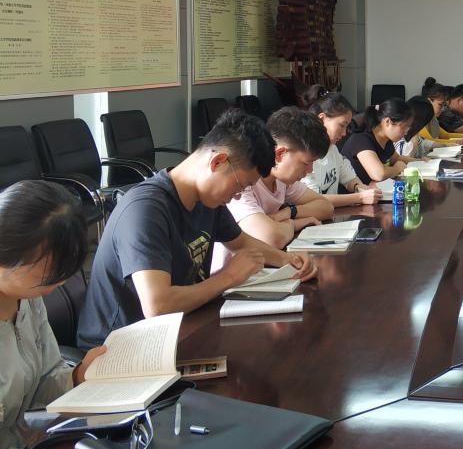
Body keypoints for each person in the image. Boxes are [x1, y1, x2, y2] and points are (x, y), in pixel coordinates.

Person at [78, 109, 318, 349]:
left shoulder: (206, 200)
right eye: (239, 186)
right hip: (120, 347)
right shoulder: (145, 210)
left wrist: (289, 260)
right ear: (217, 162)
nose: (236, 196)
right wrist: (230, 277)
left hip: (176, 331)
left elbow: (243, 243)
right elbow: (158, 306)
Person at [1, 181, 108, 449]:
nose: (59, 284)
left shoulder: (28, 298)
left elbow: (44, 379)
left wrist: (77, 375)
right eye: (49, 276)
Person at [223, 106, 335, 252]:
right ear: (280, 154)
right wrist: (293, 224)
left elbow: (326, 207)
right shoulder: (243, 182)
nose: (310, 170)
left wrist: (289, 212)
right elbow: (271, 238)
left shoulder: (282, 181)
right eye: (306, 163)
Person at [302, 90, 381, 208]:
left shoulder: (333, 150)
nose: (344, 133)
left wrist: (359, 187)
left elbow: (349, 178)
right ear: (322, 119)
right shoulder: (305, 155)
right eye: (341, 125)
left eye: (346, 127)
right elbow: (315, 199)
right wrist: (360, 197)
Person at [342, 98, 413, 184]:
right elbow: (378, 174)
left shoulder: (387, 140)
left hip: (377, 189)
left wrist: (421, 161)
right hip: (356, 191)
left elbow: (396, 158)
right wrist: (397, 168)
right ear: (387, 121)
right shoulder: (361, 140)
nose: (406, 132)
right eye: (404, 127)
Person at [419, 79, 463, 144]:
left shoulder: (433, 118)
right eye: (440, 105)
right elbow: (430, 142)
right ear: (429, 101)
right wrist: (458, 141)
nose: (443, 109)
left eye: (444, 105)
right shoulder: (418, 119)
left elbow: (445, 135)